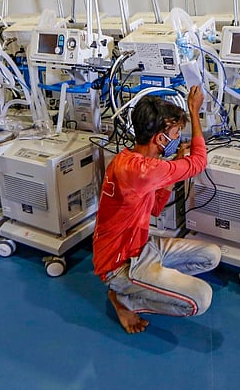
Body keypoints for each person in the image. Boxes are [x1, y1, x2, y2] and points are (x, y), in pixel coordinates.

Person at [93, 86, 221, 333]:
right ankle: (126, 298)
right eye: (175, 133)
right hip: (119, 264)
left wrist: (172, 166)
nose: (177, 138)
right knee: (200, 299)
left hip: (142, 246)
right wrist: (194, 110)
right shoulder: (142, 172)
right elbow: (199, 162)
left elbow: (154, 208)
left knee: (211, 255)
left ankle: (150, 283)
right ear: (160, 138)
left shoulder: (132, 161)